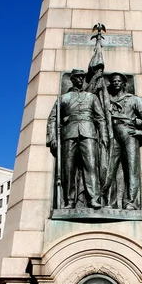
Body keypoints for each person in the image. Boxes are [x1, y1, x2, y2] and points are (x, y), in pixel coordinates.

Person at [47, 69, 108, 209]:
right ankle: (69, 201)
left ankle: (93, 198)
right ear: (72, 79)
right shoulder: (64, 98)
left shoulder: (91, 97)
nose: (80, 80)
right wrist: (53, 138)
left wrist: (104, 135)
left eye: (82, 77)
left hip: (89, 134)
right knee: (69, 169)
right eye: (77, 77)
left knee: (91, 166)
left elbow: (101, 118)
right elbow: (52, 119)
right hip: (69, 134)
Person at [103, 73, 142, 210]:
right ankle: (111, 202)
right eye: (113, 81)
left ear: (123, 83)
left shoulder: (132, 99)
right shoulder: (107, 100)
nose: (115, 83)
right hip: (112, 134)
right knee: (110, 169)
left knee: (131, 168)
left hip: (129, 133)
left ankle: (130, 202)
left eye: (118, 81)